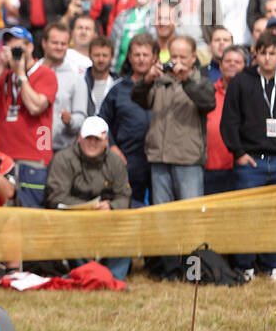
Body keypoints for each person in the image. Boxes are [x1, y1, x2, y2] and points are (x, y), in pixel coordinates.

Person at [220, 32, 276, 280]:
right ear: (254, 55)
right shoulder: (240, 82)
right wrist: (239, 153)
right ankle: (246, 265)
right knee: (247, 216)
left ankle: (273, 265)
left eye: (272, 53)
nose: (267, 58)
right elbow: (229, 122)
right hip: (250, 161)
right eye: (262, 53)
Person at [0, 25, 57, 208]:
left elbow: (36, 107)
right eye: (9, 47)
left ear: (30, 48)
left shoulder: (45, 73)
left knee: (30, 216)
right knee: (3, 217)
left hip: (33, 157)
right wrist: (1, 67)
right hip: (3, 155)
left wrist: (20, 74)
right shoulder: (4, 74)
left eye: (18, 48)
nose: (14, 52)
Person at [44, 115, 132, 280]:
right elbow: (56, 196)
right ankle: (84, 274)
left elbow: (124, 196)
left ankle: (113, 278)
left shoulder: (115, 162)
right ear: (79, 138)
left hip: (107, 218)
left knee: (129, 228)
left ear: (106, 141)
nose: (92, 143)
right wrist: (87, 208)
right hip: (72, 220)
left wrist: (112, 206)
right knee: (71, 230)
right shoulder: (63, 159)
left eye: (97, 139)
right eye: (88, 138)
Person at [131, 34, 215, 206]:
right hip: (159, 158)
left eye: (182, 57)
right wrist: (147, 80)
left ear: (193, 58)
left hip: (188, 160)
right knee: (163, 218)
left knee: (190, 216)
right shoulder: (160, 81)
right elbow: (138, 98)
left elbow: (208, 103)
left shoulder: (202, 82)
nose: (177, 61)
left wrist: (186, 80)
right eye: (173, 56)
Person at [98, 33, 157, 205]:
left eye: (145, 55)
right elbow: (102, 121)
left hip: (158, 163)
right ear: (129, 57)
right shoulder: (118, 89)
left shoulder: (164, 86)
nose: (141, 59)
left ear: (154, 57)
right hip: (127, 161)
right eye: (137, 55)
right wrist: (112, 146)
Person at [40, 22, 88, 151]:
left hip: (62, 151)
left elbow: (81, 118)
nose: (59, 47)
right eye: (55, 43)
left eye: (63, 44)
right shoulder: (32, 72)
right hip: (32, 149)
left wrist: (70, 120)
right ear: (44, 43)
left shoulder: (76, 79)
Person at [204, 45, 245, 196]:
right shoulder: (207, 92)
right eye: (228, 61)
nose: (232, 64)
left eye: (237, 61)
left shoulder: (252, 94)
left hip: (243, 168)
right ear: (220, 66)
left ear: (245, 66)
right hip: (211, 169)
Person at [85, 35, 117, 116]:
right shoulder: (81, 82)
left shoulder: (117, 84)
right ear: (89, 56)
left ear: (112, 57)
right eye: (97, 55)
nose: (101, 60)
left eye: (105, 55)